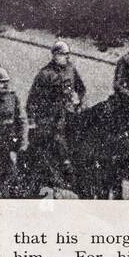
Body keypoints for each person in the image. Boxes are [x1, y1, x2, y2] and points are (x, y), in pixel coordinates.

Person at [25, 39, 86, 186]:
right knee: (57, 138)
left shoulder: (71, 69)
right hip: (50, 117)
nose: (67, 57)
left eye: (67, 54)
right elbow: (32, 101)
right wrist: (33, 122)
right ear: (54, 55)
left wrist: (79, 101)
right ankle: (66, 170)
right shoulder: (45, 74)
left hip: (70, 112)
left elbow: (81, 88)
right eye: (63, 54)